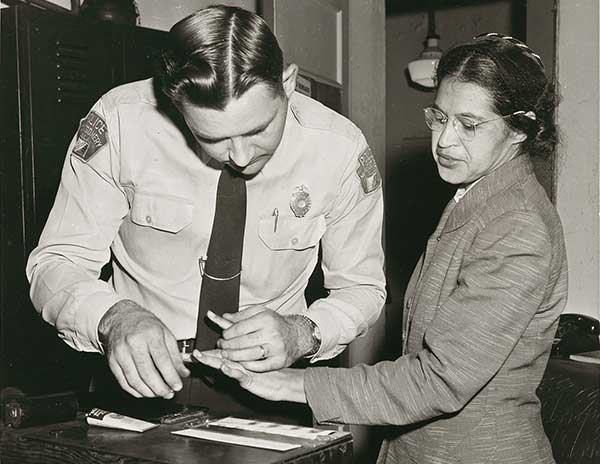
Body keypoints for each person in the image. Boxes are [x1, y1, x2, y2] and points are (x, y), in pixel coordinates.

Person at [195, 32, 568, 464]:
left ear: (519, 128)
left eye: (468, 125)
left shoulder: (516, 225)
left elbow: (440, 380)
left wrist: (289, 384)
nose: (445, 140)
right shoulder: (480, 196)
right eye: (439, 117)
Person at [26, 4, 385, 414]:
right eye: (212, 137)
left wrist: (302, 332)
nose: (242, 156)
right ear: (173, 103)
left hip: (274, 388)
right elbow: (56, 262)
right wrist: (113, 317)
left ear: (287, 82)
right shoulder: (122, 121)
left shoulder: (339, 149)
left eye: (259, 129)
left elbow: (363, 287)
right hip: (139, 385)